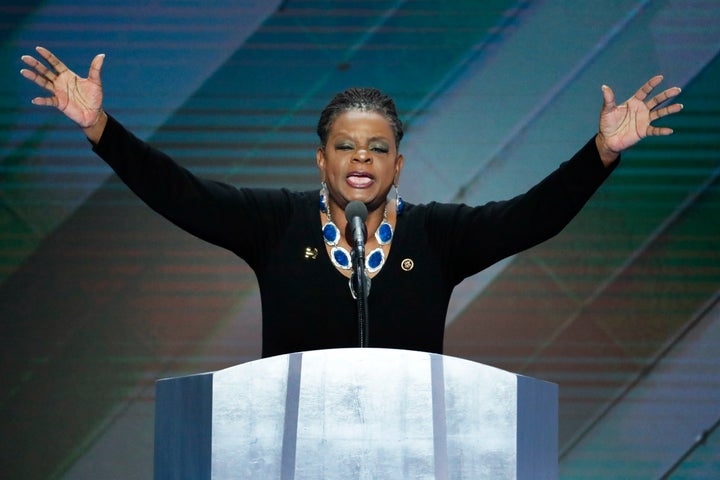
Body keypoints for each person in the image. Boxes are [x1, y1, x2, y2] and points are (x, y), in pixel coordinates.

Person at [20, 47, 683, 358]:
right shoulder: (274, 223)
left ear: (399, 163)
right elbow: (180, 193)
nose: (361, 159)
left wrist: (602, 150)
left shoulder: (439, 236)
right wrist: (102, 130)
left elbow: (532, 216)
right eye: (345, 146)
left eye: (376, 148)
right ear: (321, 159)